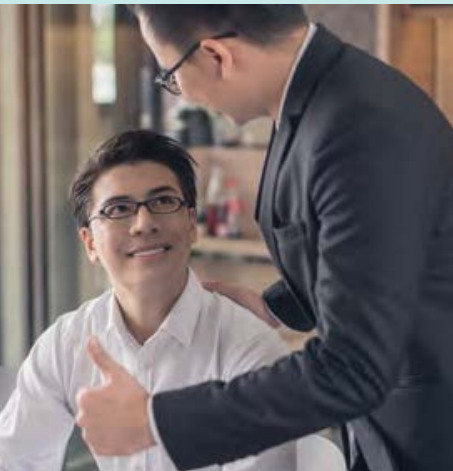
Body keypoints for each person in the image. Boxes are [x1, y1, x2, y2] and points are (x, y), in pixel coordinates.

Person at [75, 6, 453, 471]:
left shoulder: (360, 126)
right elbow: (372, 258)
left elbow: (353, 368)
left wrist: (154, 422)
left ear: (217, 55)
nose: (183, 94)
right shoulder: (314, 99)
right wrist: (275, 307)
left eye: (171, 75)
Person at [0, 130, 343, 471]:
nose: (144, 223)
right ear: (90, 243)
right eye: (118, 209)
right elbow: (4, 458)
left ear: (191, 224)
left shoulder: (249, 349)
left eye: (163, 202)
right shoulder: (69, 341)